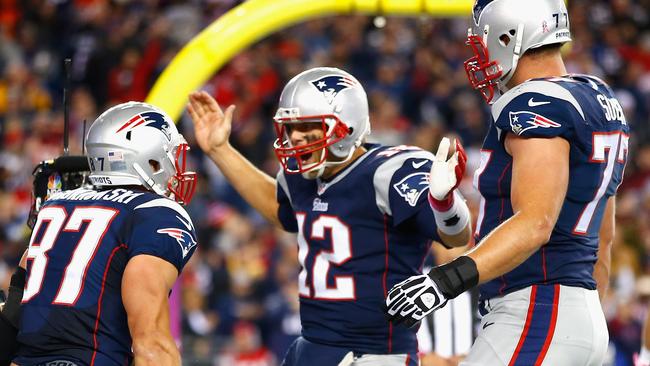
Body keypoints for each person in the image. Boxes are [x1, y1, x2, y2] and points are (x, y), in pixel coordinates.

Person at [385, 1, 629, 365]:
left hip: (536, 312)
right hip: (578, 314)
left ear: (509, 36)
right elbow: (603, 240)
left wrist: (444, 281)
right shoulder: (598, 96)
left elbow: (536, 222)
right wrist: (581, 315)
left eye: (483, 43)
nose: (479, 56)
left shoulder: (536, 102)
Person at [188, 66, 472, 366]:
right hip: (310, 346)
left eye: (307, 126)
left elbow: (456, 237)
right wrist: (220, 150)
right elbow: (281, 211)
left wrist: (445, 202)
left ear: (346, 126)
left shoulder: (389, 171)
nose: (295, 138)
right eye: (290, 127)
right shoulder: (302, 176)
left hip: (373, 354)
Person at [11, 102, 199, 366]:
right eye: (169, 155)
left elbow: (19, 292)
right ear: (147, 157)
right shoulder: (155, 212)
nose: (175, 167)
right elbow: (151, 344)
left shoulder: (56, 203)